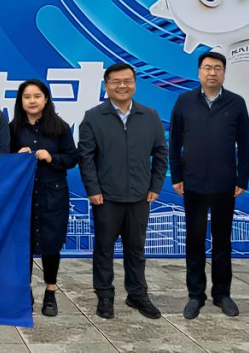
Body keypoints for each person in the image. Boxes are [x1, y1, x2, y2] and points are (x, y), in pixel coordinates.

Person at [78, 63, 168, 320]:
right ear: (106, 86)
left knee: (136, 249)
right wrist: (93, 189)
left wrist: (155, 186)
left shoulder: (149, 116)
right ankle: (105, 296)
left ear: (135, 84)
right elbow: (86, 157)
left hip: (140, 196)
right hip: (106, 197)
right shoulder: (93, 117)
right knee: (104, 250)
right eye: (116, 81)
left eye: (127, 81)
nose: (122, 86)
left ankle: (137, 294)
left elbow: (161, 154)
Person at [170, 51, 249, 319]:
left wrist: (242, 178)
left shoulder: (236, 103)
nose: (212, 72)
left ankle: (222, 294)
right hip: (192, 184)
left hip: (224, 184)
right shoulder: (184, 102)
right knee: (194, 241)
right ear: (199, 72)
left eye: (217, 68)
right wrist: (177, 176)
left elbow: (245, 144)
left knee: (222, 242)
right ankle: (195, 296)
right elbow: (174, 142)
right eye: (207, 68)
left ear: (224, 73)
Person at [9, 79, 79, 317]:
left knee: (51, 244)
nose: (32, 101)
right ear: (20, 101)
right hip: (24, 196)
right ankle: (24, 290)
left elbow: (72, 158)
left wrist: (52, 158)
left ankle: (50, 291)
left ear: (46, 99)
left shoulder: (60, 127)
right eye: (27, 97)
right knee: (24, 244)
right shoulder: (13, 128)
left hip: (53, 195)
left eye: (37, 96)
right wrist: (16, 156)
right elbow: (2, 158)